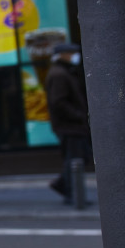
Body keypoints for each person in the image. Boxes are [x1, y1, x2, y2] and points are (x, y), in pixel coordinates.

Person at [46, 43, 93, 203]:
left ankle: (67, 189)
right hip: (70, 126)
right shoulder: (59, 74)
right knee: (75, 159)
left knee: (76, 158)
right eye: (72, 53)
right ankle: (69, 191)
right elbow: (58, 102)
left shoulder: (63, 72)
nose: (75, 56)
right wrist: (78, 115)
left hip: (71, 126)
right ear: (63, 55)